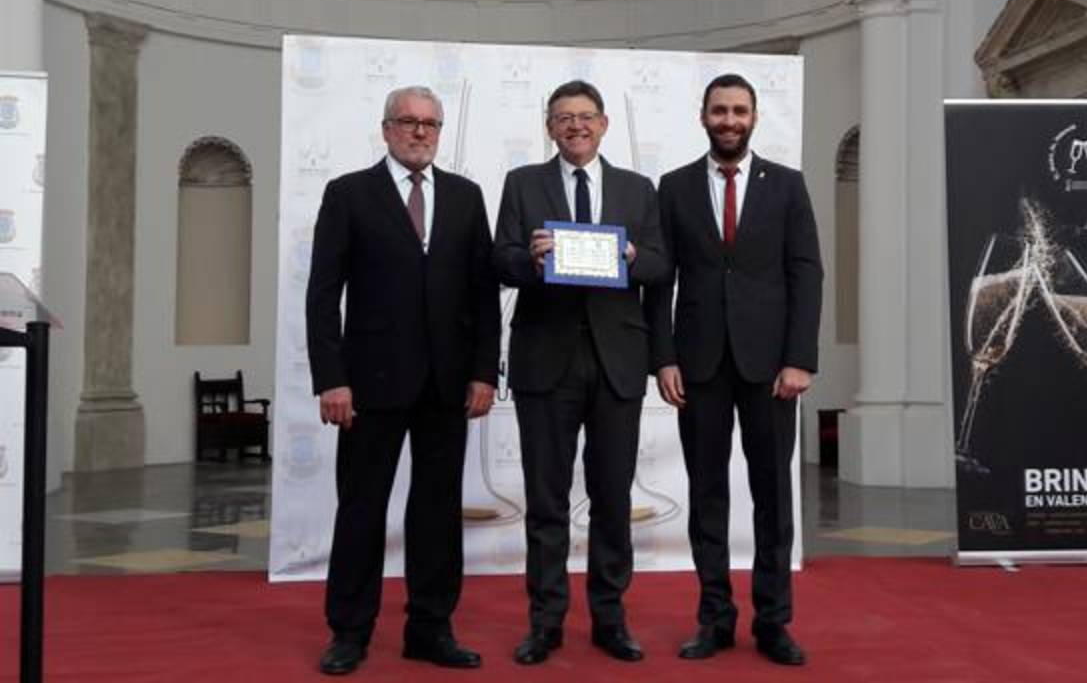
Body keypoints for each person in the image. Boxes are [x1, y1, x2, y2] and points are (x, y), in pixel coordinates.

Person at [305, 85, 500, 676]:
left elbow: (483, 297)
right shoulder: (348, 194)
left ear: (440, 132)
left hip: (447, 385)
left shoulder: (467, 197)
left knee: (437, 513)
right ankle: (349, 631)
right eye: (408, 122)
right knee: (362, 508)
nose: (419, 132)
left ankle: (431, 629)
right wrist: (331, 379)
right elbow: (322, 296)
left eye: (430, 124)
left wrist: (483, 372)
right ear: (385, 128)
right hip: (368, 386)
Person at [644, 73, 823, 666]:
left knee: (773, 497)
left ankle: (774, 621)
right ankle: (714, 618)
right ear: (702, 117)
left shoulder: (789, 186)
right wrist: (662, 356)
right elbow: (659, 280)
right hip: (697, 366)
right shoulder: (671, 188)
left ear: (753, 118)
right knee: (707, 495)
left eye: (739, 110)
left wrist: (800, 359)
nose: (729, 120)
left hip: (773, 369)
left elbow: (807, 274)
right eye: (719, 110)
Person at [492, 79, 668, 665]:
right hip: (546, 361)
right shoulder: (523, 184)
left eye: (586, 116)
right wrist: (533, 258)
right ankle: (545, 622)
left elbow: (664, 264)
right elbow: (502, 260)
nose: (576, 126)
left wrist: (634, 257)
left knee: (611, 498)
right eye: (563, 118)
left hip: (617, 361)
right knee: (546, 500)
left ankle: (610, 618)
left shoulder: (638, 189)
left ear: (603, 124)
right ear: (549, 127)